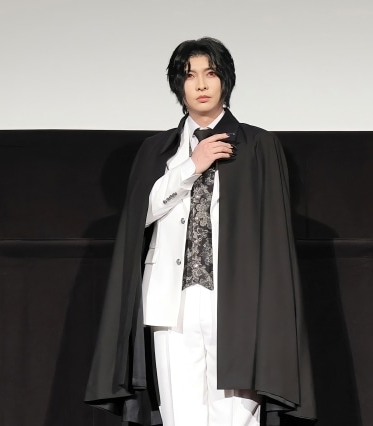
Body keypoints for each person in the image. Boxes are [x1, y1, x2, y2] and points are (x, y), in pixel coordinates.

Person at [85, 37, 316, 426]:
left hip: (238, 302)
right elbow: (138, 217)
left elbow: (273, 236)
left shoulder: (258, 145)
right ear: (179, 85)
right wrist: (191, 166)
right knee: (181, 415)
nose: (201, 84)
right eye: (190, 76)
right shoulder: (158, 150)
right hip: (170, 302)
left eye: (210, 73)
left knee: (236, 417)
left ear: (225, 79)